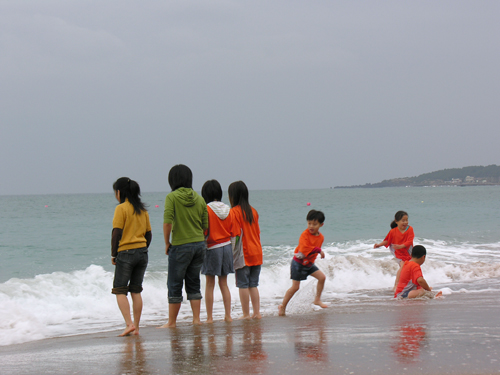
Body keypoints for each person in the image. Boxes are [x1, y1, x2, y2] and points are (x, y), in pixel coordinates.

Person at [160, 165, 208, 328]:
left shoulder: (171, 197)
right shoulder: (200, 198)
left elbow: (167, 222)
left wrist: (167, 243)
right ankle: (196, 319)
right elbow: (205, 225)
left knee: (174, 283)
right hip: (199, 244)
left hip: (180, 245)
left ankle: (172, 322)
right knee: (194, 282)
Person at [111, 177, 152, 336]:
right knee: (136, 290)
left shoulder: (121, 209)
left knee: (120, 290)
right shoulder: (143, 210)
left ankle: (129, 324)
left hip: (126, 252)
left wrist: (114, 254)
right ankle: (136, 326)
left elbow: (117, 233)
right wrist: (142, 248)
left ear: (119, 192)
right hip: (142, 252)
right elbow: (149, 234)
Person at [278, 210, 327, 316]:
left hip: (308, 263)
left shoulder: (321, 237)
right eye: (309, 223)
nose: (311, 226)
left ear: (321, 225)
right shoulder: (305, 234)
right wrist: (318, 250)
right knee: (295, 287)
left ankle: (317, 299)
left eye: (314, 224)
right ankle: (282, 306)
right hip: (298, 263)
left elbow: (313, 253)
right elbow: (304, 248)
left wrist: (315, 254)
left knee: (322, 278)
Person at [228, 181, 263, 320]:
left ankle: (246, 314)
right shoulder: (253, 211)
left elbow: (235, 235)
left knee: (243, 285)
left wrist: (231, 254)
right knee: (253, 285)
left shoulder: (234, 212)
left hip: (244, 254)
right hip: (257, 253)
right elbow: (258, 232)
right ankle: (257, 313)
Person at [201, 179, 234, 323]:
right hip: (226, 247)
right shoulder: (228, 209)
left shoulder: (206, 209)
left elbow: (205, 231)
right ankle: (228, 315)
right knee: (224, 283)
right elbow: (233, 232)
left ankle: (209, 318)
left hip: (212, 247)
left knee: (209, 284)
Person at [374, 210, 414, 290]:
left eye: (406, 220)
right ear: (396, 221)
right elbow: (387, 241)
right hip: (399, 253)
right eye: (403, 220)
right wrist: (379, 245)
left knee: (411, 268)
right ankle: (396, 286)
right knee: (403, 267)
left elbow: (410, 241)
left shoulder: (410, 229)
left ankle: (410, 285)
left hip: (408, 252)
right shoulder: (393, 231)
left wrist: (401, 246)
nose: (405, 222)